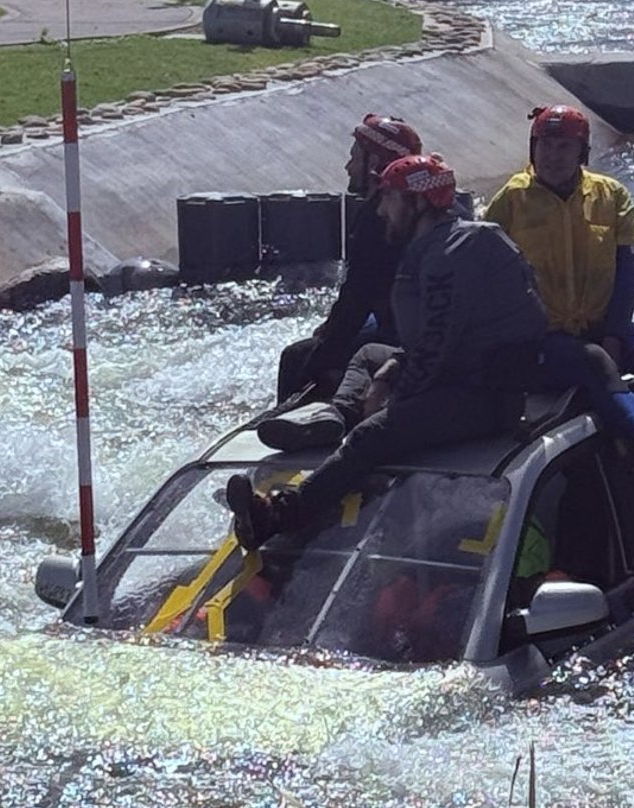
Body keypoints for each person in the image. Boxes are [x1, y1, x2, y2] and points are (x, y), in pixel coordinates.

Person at [228, 154, 548, 550]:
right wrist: (389, 370)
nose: (380, 210)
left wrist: (391, 402)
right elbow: (434, 344)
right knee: (368, 355)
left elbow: (432, 351)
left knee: (372, 436)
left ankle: (280, 515)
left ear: (417, 202)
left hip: (483, 396)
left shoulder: (450, 255)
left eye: (389, 199)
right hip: (462, 369)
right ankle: (339, 414)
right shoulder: (450, 241)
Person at [485, 104, 634, 548]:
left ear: (582, 152)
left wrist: (616, 331)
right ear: (533, 148)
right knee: (593, 362)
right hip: (541, 337)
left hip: (603, 323)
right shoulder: (509, 200)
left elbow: (628, 273)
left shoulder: (612, 195)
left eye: (564, 146)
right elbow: (484, 273)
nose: (553, 156)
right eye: (546, 145)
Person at [272, 113, 424, 402]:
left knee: (295, 357)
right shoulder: (419, 209)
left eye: (355, 158)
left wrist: (319, 359)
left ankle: (292, 419)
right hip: (405, 323)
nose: (348, 166)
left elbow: (356, 300)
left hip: (398, 333)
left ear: (376, 164)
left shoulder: (378, 220)